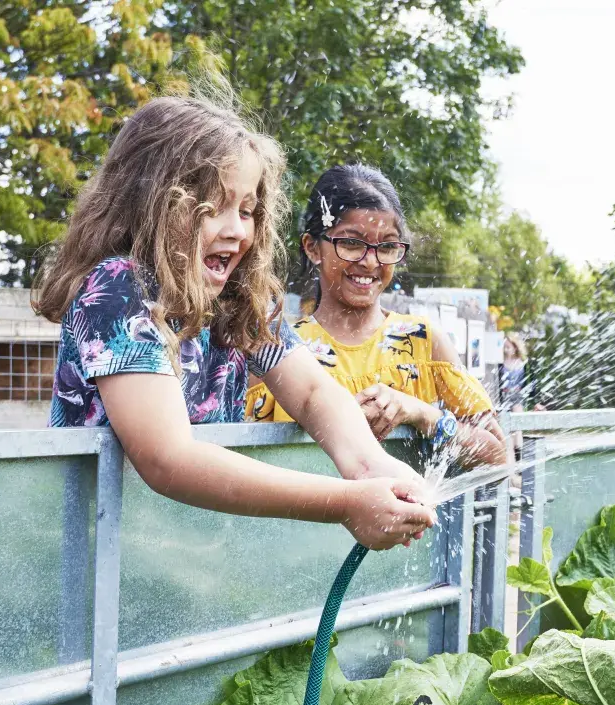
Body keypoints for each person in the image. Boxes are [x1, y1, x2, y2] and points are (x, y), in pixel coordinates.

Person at [33, 96, 434, 551]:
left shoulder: (237, 302)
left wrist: (371, 466)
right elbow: (168, 459)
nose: (239, 231)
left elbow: (311, 391)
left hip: (187, 561)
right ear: (148, 204)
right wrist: (345, 502)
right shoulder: (121, 291)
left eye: (246, 210)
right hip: (99, 564)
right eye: (212, 207)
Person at [245, 165, 506, 470]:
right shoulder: (278, 351)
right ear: (313, 247)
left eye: (387, 246)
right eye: (351, 243)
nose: (370, 262)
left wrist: (421, 414)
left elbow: (498, 459)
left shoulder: (425, 342)